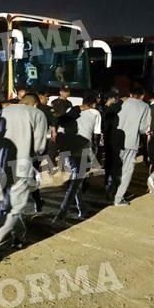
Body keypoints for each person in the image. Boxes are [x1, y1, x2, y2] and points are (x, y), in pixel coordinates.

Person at [0, 93, 49, 262]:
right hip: (20, 164)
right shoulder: (38, 114)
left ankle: (18, 236)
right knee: (16, 206)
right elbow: (40, 147)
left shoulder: (3, 112)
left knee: (9, 202)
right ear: (34, 104)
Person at [53, 94, 101, 223]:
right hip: (83, 149)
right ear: (94, 103)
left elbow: (61, 127)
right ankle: (62, 213)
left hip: (68, 149)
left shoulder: (71, 111)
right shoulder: (95, 113)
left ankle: (81, 207)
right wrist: (95, 153)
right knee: (76, 182)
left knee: (77, 179)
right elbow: (96, 135)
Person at [112, 86, 151, 206]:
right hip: (130, 141)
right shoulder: (144, 106)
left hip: (115, 139)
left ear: (130, 94)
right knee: (126, 170)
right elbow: (143, 128)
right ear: (142, 96)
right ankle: (118, 198)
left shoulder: (121, 103)